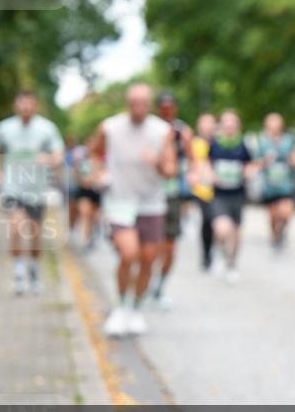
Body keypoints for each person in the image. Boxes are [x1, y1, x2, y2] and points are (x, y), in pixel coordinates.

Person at [90, 83, 176, 337]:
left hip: (151, 203)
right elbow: (94, 153)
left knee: (149, 258)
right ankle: (121, 307)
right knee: (129, 255)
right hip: (120, 201)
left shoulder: (162, 131)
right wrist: (99, 172)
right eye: (133, 102)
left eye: (143, 103)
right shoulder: (110, 127)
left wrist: (158, 161)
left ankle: (135, 308)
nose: (138, 107)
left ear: (149, 105)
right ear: (127, 103)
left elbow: (171, 170)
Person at [0, 89, 65, 295]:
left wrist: (48, 159)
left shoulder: (47, 128)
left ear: (36, 106)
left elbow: (59, 155)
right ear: (16, 105)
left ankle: (34, 269)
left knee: (35, 234)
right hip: (12, 188)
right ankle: (18, 272)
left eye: (29, 104)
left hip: (37, 190)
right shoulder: (3, 128)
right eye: (21, 104)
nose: (25, 108)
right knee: (15, 228)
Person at [150, 91, 194, 309]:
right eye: (163, 106)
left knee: (169, 245)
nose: (167, 110)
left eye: (170, 106)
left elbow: (192, 161)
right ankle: (147, 280)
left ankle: (160, 286)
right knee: (151, 245)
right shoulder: (149, 130)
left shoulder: (182, 132)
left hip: (173, 195)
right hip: (149, 195)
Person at [203, 109, 255, 283]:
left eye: (233, 123)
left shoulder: (243, 145)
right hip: (219, 194)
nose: (229, 126)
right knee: (221, 228)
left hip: (238, 194)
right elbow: (206, 163)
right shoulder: (215, 144)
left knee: (236, 233)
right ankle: (219, 251)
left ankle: (232, 264)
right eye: (226, 123)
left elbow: (250, 164)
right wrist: (210, 174)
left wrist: (247, 171)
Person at [258, 112, 295, 249]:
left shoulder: (289, 140)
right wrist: (265, 161)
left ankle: (282, 230)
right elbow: (257, 162)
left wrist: (291, 159)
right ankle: (275, 233)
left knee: (286, 212)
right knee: (273, 215)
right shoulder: (262, 142)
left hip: (286, 184)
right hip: (270, 186)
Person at [189, 113, 218, 271]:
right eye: (204, 124)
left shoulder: (220, 143)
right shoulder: (195, 143)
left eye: (210, 124)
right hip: (201, 189)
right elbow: (191, 163)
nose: (207, 127)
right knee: (207, 220)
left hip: (219, 189)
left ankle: (213, 249)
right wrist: (192, 174)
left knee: (216, 222)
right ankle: (206, 254)